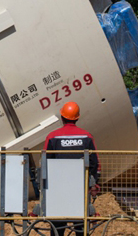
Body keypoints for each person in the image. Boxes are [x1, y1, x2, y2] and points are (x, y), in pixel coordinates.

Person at [42, 101, 100, 236]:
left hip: (58, 191)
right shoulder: (86, 137)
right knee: (80, 227)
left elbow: (45, 163)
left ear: (62, 118)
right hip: (79, 191)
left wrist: (45, 187)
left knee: (57, 229)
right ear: (77, 118)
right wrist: (93, 183)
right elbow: (95, 163)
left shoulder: (52, 137)